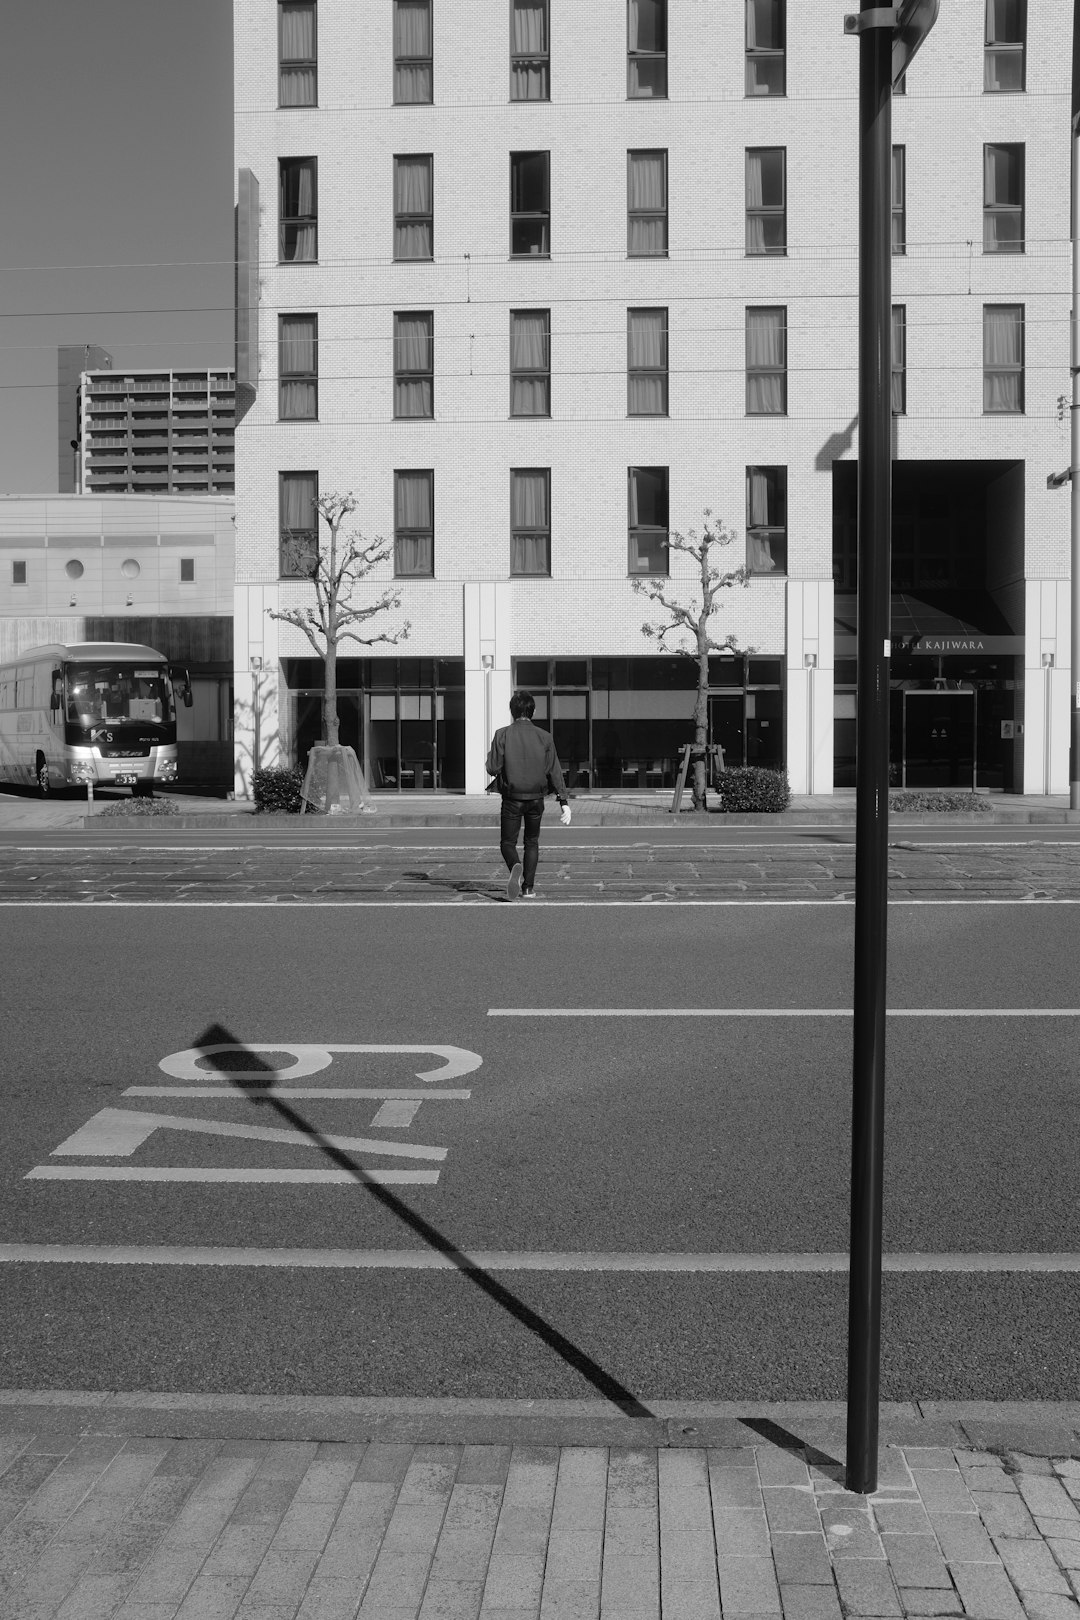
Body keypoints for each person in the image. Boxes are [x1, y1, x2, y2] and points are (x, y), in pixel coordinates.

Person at [486, 689, 571, 900]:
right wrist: (564, 802)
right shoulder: (545, 737)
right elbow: (555, 770)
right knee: (532, 841)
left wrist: (492, 754)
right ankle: (528, 888)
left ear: (512, 711)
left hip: (512, 798)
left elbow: (493, 768)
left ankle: (515, 865)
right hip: (536, 798)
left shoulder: (502, 734)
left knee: (508, 843)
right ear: (532, 710)